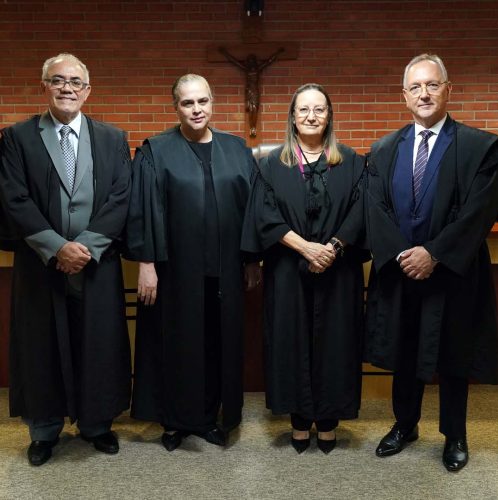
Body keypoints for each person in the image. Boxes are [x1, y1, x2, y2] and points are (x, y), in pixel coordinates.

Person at [365, 53, 498, 472]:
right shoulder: (385, 149)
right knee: (406, 351)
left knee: (453, 355)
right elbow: (375, 207)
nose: (424, 93)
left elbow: (480, 210)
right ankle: (405, 425)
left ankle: (455, 434)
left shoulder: (481, 146)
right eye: (415, 87)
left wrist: (435, 253)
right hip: (403, 272)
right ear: (404, 96)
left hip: (453, 273)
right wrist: (406, 256)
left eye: (432, 84)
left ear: (448, 90)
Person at [0, 53, 132, 466]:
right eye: (58, 80)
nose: (67, 88)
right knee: (40, 345)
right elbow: (14, 198)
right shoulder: (17, 138)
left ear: (88, 90)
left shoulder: (113, 138)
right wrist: (57, 246)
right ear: (45, 86)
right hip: (42, 264)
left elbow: (120, 199)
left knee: (97, 343)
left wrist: (86, 247)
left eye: (76, 81)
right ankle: (44, 430)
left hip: (96, 264)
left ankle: (96, 425)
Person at [125, 74, 261, 451]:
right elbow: (144, 210)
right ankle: (175, 420)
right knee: (177, 343)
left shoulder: (236, 149)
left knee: (218, 344)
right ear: (176, 107)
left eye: (202, 101)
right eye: (188, 103)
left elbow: (252, 209)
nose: (196, 109)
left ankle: (210, 416)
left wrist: (252, 260)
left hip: (226, 271)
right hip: (175, 271)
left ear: (212, 102)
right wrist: (147, 263)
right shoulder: (156, 151)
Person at [241, 83, 367, 454]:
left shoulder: (352, 162)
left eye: (320, 109)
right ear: (292, 117)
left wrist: (332, 247)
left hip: (338, 271)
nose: (312, 116)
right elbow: (263, 215)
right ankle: (298, 421)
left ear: (329, 116)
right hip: (287, 270)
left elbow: (361, 212)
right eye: (303, 110)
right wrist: (304, 247)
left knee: (336, 344)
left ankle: (328, 421)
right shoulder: (270, 165)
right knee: (289, 342)